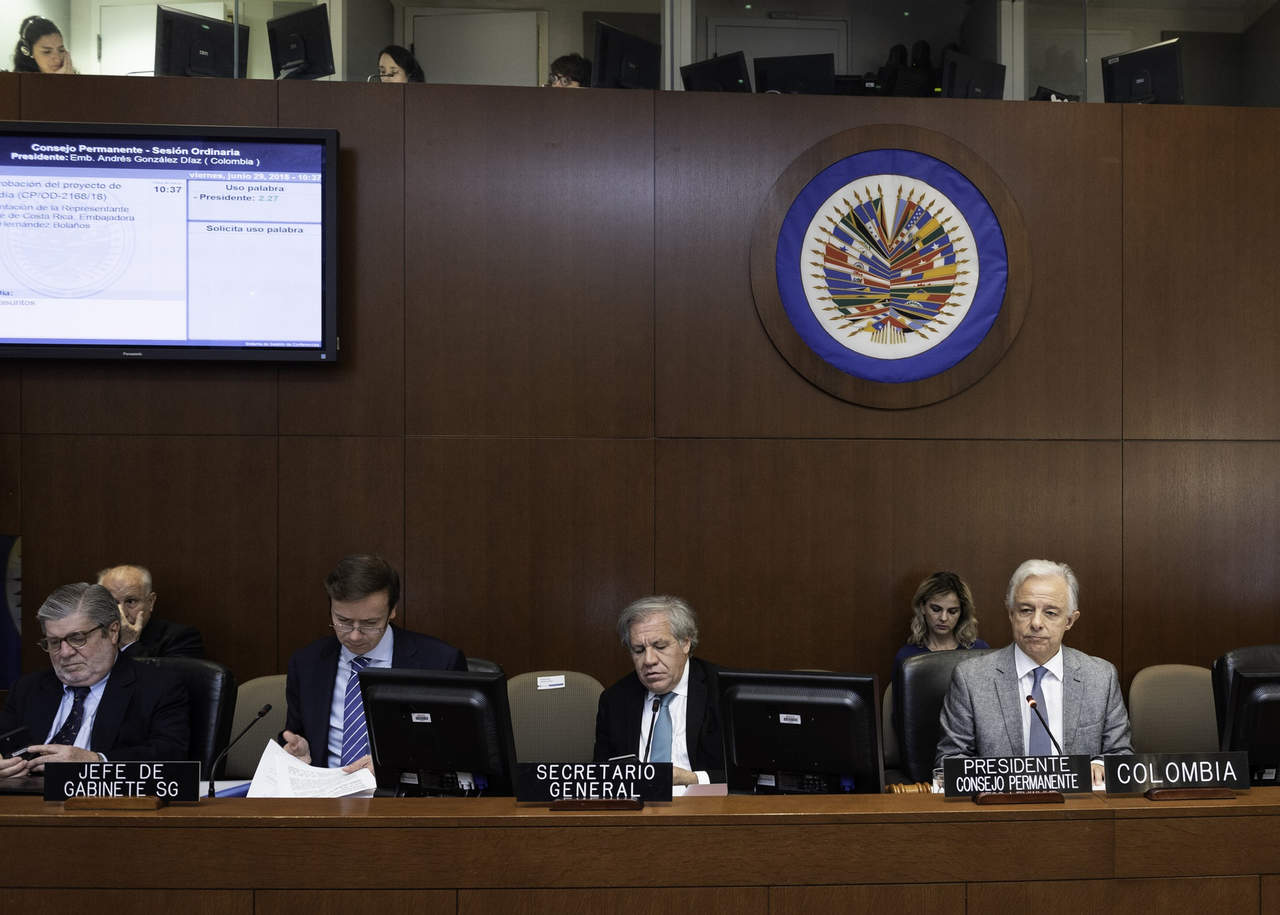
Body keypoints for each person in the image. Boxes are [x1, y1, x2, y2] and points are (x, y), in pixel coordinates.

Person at [935, 559, 1132, 783]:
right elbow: (949, 762)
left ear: (1069, 620)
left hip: (1078, 802)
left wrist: (1101, 765)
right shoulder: (971, 679)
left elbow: (1120, 754)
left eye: (1050, 613)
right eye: (1026, 610)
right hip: (1001, 802)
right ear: (1011, 614)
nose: (1036, 623)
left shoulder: (1100, 677)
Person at [282, 554, 465, 771]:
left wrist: (392, 765)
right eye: (343, 621)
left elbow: (458, 748)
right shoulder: (306, 663)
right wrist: (298, 751)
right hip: (326, 787)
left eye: (370, 623)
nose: (354, 636)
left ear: (392, 610)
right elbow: (295, 734)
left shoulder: (440, 662)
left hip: (399, 788)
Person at [0, 583, 189, 777]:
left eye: (77, 638)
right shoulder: (27, 688)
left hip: (107, 794)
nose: (65, 653)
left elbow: (172, 756)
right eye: (54, 642)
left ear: (113, 632)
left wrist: (97, 762)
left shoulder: (158, 687)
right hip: (25, 794)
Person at [593, 595, 723, 786]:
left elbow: (749, 777)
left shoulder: (723, 692)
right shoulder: (615, 700)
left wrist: (693, 779)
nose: (649, 660)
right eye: (639, 650)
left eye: (660, 646)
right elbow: (601, 775)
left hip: (706, 802)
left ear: (685, 643)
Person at [97, 564, 205, 659]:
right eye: (112, 602)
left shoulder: (181, 638)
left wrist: (129, 644)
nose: (122, 613)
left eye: (131, 601)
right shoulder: (93, 635)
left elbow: (165, 677)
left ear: (150, 602)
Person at [893, 571, 989, 675]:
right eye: (936, 609)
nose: (943, 618)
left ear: (962, 612)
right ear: (922, 607)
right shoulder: (906, 656)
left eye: (952, 611)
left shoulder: (979, 651)